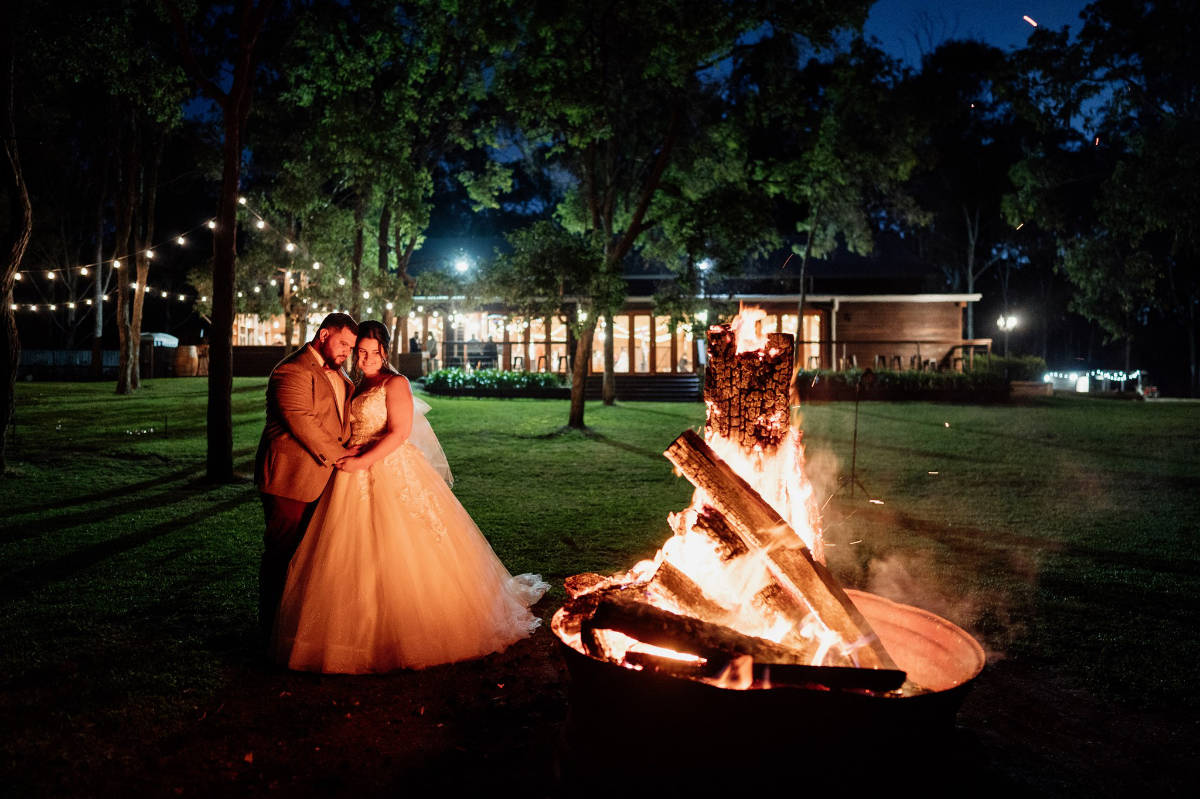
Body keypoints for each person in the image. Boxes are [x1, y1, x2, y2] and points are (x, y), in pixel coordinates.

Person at [272, 321, 547, 673]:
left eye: (375, 352)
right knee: (348, 552)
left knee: (402, 548)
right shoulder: (355, 383)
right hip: (351, 475)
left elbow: (400, 432)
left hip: (386, 466)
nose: (368, 358)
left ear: (386, 352)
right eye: (362, 352)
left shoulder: (395, 383)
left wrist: (363, 461)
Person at [254, 313, 358, 646]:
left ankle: (297, 626)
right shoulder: (292, 370)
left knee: (310, 556)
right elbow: (302, 421)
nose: (346, 352)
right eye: (343, 343)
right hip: (291, 477)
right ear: (324, 334)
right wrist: (345, 459)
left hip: (325, 477)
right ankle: (270, 628)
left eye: (351, 347)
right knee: (282, 552)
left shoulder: (338, 370)